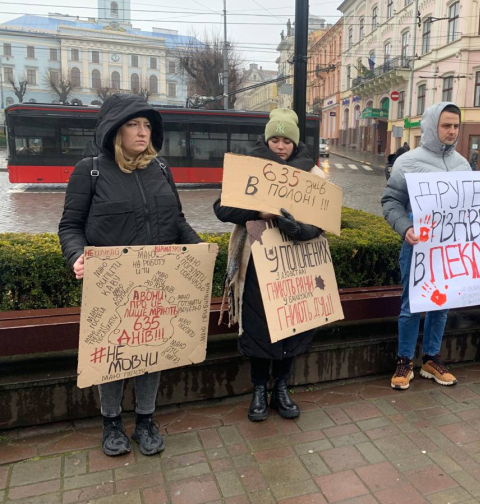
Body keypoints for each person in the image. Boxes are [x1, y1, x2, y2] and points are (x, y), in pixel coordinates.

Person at [58, 94, 202, 457]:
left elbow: (177, 221)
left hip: (158, 282)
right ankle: (110, 423)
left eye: (148, 125)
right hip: (112, 286)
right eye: (133, 125)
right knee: (113, 356)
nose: (143, 132)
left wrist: (199, 250)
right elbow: (70, 226)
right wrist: (77, 255)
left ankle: (145, 421)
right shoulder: (89, 170)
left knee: (151, 350)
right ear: (114, 130)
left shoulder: (162, 170)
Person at [214, 109, 324, 421]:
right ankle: (259, 390)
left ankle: (282, 388)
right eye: (274, 139)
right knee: (261, 327)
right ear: (266, 140)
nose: (279, 145)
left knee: (293, 325)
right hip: (257, 265)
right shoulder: (248, 169)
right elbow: (221, 207)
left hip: (297, 265)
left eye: (286, 140)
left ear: (295, 143)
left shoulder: (313, 174)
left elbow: (322, 221)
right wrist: (258, 213)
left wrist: (296, 229)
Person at [381, 102, 480, 390]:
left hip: (450, 250)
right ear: (433, 126)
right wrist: (405, 227)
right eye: (446, 125)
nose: (452, 131)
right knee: (411, 305)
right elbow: (390, 202)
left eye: (456, 126)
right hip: (418, 246)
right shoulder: (406, 162)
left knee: (442, 303)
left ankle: (431, 359)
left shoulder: (462, 163)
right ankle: (405, 360)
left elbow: (471, 208)